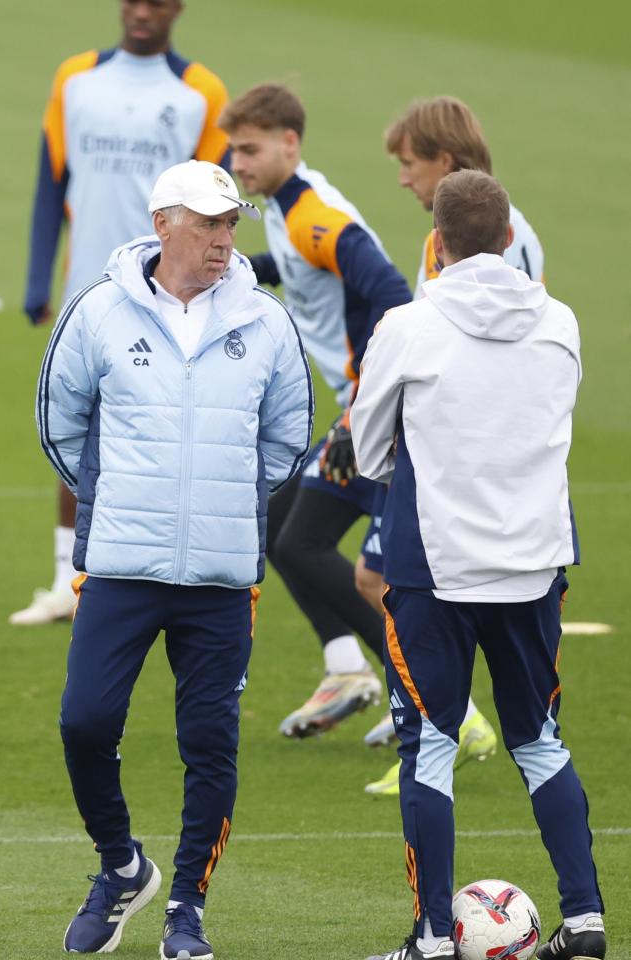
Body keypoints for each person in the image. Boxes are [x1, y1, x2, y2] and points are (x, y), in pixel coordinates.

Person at [38, 160, 311, 958]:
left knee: (210, 744)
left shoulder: (264, 320)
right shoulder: (97, 312)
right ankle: (121, 866)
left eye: (231, 223)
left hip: (222, 579)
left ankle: (186, 907)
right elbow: (61, 425)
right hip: (121, 563)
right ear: (164, 224)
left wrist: (223, 498)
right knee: (84, 721)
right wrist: (120, 497)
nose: (225, 237)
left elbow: (287, 436)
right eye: (208, 222)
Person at [353, 170, 602, 960]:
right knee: (539, 742)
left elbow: (368, 450)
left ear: (437, 242)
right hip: (533, 563)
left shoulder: (408, 325)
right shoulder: (559, 323)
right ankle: (587, 920)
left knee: (429, 747)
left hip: (437, 569)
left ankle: (430, 940)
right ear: (507, 238)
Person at [15, 0, 230, 627]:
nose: (142, 12)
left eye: (156, 3)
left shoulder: (199, 92)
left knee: (168, 428)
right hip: (88, 288)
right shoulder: (74, 78)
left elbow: (216, 199)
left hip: (172, 292)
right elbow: (50, 180)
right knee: (78, 425)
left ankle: (161, 571)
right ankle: (67, 578)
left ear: (177, 9)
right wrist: (36, 276)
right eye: (133, 1)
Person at [218, 83, 410, 741]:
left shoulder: (312, 215)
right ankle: (347, 670)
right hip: (372, 404)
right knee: (276, 528)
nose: (237, 164)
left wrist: (363, 410)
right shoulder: (283, 207)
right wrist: (240, 266)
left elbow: (391, 294)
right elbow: (301, 270)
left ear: (289, 143)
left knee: (301, 541)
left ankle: (429, 694)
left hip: (381, 407)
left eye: (249, 150)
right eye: (233, 151)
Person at [358, 95, 538, 794]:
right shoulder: (460, 233)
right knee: (373, 579)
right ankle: (441, 724)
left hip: (460, 463)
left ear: (446, 162)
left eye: (410, 164)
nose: (402, 178)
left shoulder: (493, 238)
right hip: (443, 450)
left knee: (391, 583)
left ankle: (448, 730)